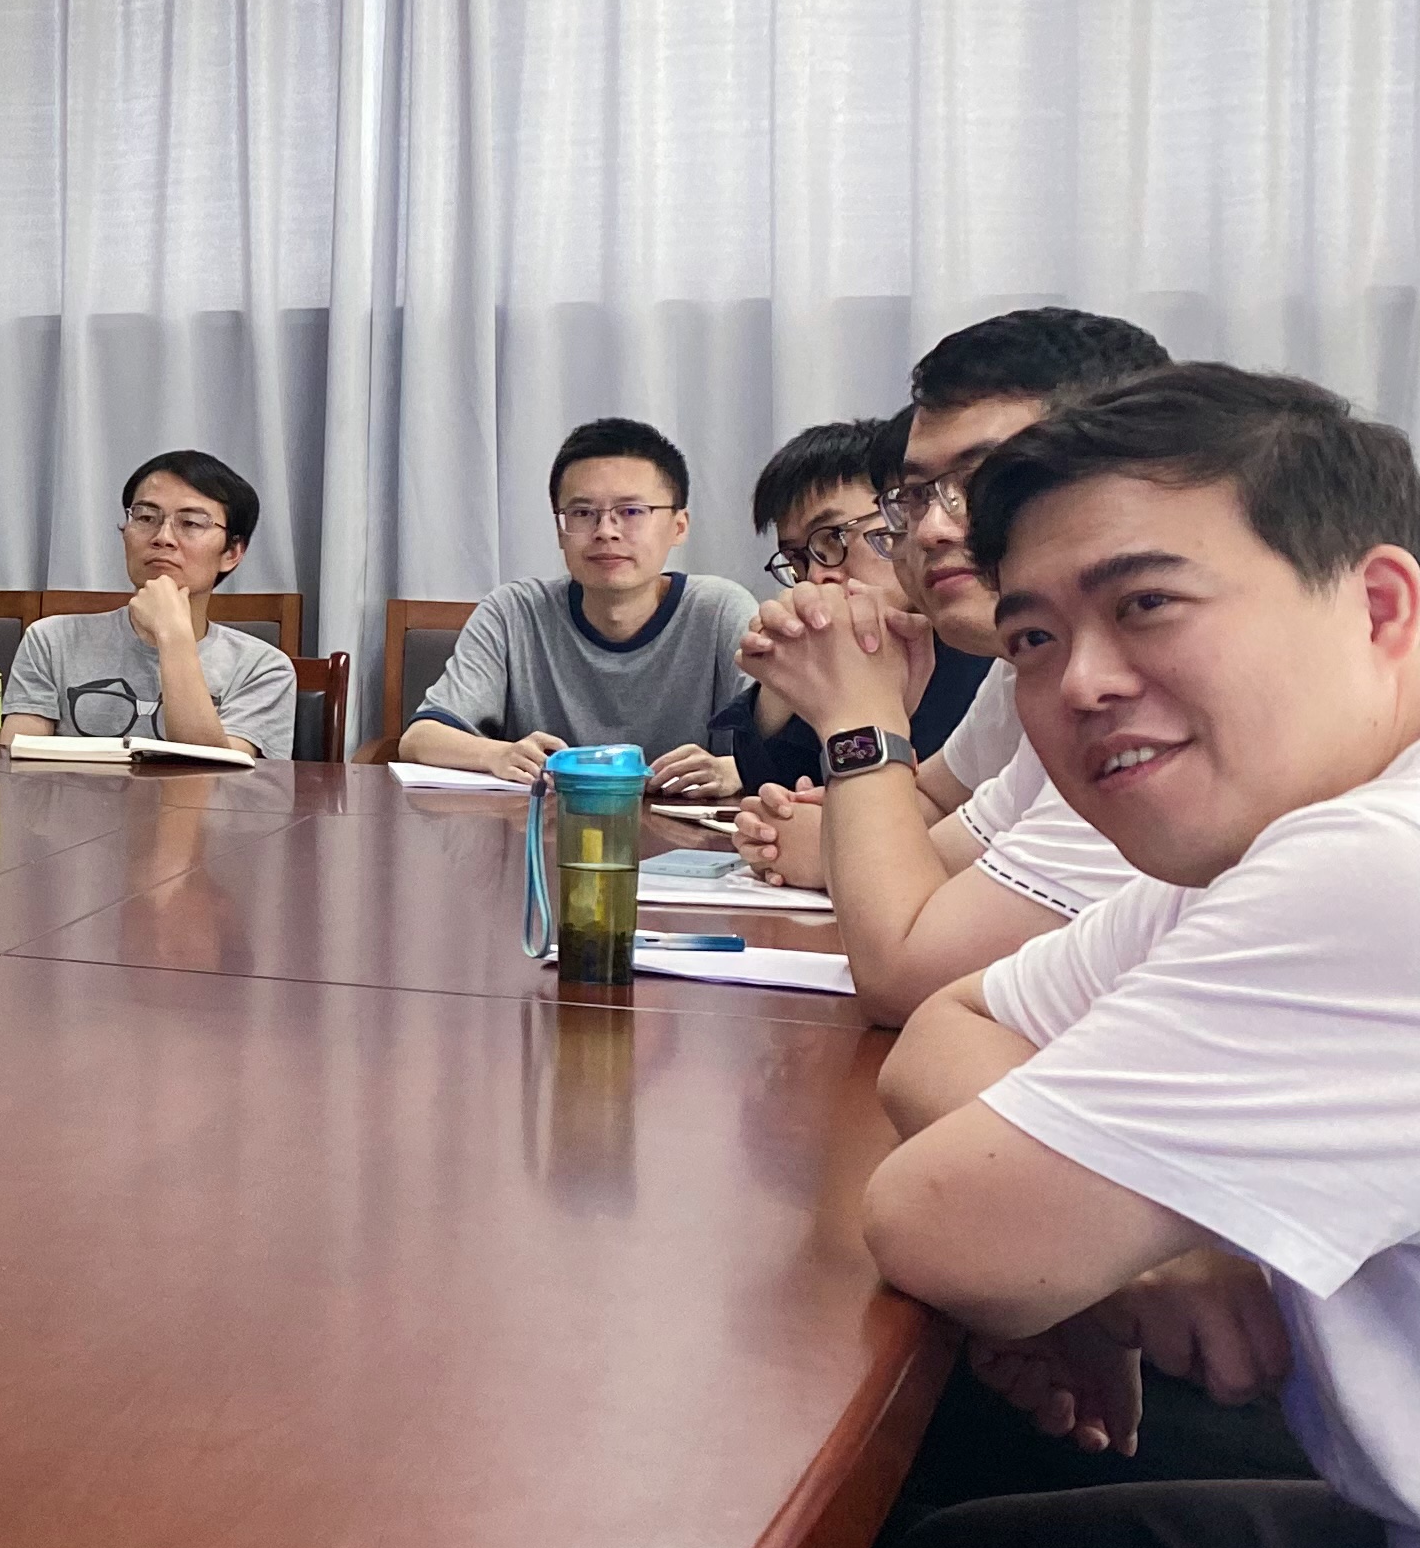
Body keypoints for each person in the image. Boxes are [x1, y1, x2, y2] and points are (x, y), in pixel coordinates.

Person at [853, 366, 1420, 1548]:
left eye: (1146, 604)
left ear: (1379, 604)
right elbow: (942, 1033)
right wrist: (1163, 1235)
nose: (1078, 680)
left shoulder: (1372, 868)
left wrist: (1101, 1232)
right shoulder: (1262, 841)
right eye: (1031, 636)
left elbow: (942, 1221)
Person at [733, 310, 1166, 1024]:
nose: (933, 528)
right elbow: (935, 834)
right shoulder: (1033, 662)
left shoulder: (1145, 696)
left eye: (983, 479)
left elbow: (902, 977)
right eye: (915, 497)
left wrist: (860, 717)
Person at [397, 418, 755, 792]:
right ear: (560, 530)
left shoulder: (720, 611)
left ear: (679, 526)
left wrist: (736, 769)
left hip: (690, 826)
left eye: (631, 511)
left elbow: (787, 743)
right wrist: (498, 754)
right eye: (582, 513)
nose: (606, 531)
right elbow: (421, 738)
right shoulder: (514, 612)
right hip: (546, 823)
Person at [706, 416, 982, 794]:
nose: (817, 576)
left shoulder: (984, 639)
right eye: (798, 559)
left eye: (834, 538)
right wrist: (779, 687)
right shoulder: (843, 649)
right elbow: (779, 788)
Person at [2, 450, 301, 756]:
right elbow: (16, 764)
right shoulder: (53, 641)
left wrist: (173, 636)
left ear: (232, 553)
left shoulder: (262, 669)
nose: (163, 537)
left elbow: (213, 775)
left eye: (191, 523)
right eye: (145, 517)